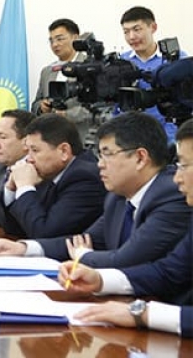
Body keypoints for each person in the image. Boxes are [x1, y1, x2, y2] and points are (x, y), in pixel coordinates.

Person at [0, 112, 189, 267]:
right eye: (100, 155)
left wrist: (84, 257)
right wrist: (24, 248)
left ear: (140, 158)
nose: (100, 164)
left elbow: (127, 259)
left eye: (107, 154)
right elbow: (84, 241)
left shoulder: (171, 195)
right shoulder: (117, 197)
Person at [59, 118, 193, 338]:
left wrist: (142, 314)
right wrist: (100, 280)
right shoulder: (118, 197)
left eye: (184, 166)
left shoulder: (169, 196)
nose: (177, 178)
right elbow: (168, 272)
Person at [0, 113, 107, 239]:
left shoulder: (84, 179)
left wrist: (25, 187)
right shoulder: (49, 172)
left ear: (64, 151)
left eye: (35, 150)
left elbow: (44, 233)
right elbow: (15, 229)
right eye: (28, 151)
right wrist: (11, 189)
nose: (29, 159)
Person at [118, 6, 187, 143]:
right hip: (130, 139)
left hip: (170, 138)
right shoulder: (121, 63)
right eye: (126, 32)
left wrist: (168, 142)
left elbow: (185, 104)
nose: (131, 37)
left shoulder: (177, 60)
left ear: (153, 27)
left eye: (137, 29)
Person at [31, 18, 92, 144]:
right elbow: (36, 103)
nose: (55, 44)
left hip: (82, 138)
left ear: (75, 38)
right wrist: (42, 107)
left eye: (60, 39)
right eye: (51, 41)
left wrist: (66, 115)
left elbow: (97, 107)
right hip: (52, 140)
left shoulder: (89, 66)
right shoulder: (47, 71)